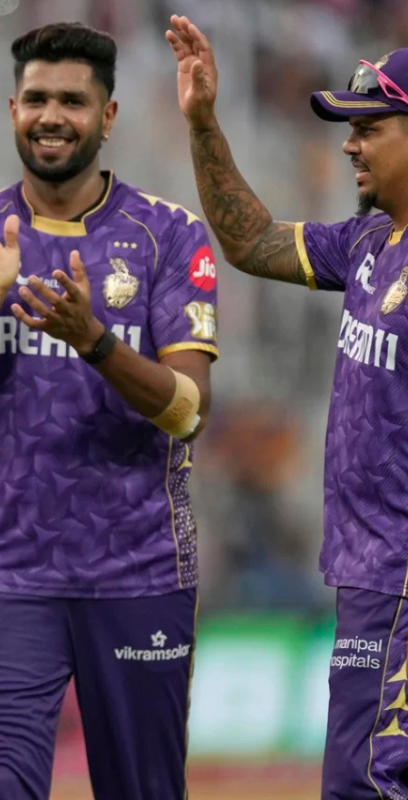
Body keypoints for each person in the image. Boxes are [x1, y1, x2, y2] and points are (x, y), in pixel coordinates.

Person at [0, 23, 219, 799]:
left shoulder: (169, 235)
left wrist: (93, 341)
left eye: (73, 101)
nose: (51, 116)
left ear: (108, 117)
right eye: (36, 98)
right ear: (12, 109)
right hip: (2, 573)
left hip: (139, 572)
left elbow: (188, 412)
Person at [168, 16, 408, 798]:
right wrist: (203, 124)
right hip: (369, 577)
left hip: (401, 583)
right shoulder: (370, 242)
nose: (349, 146)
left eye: (369, 128)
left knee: (366, 785)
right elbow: (252, 241)